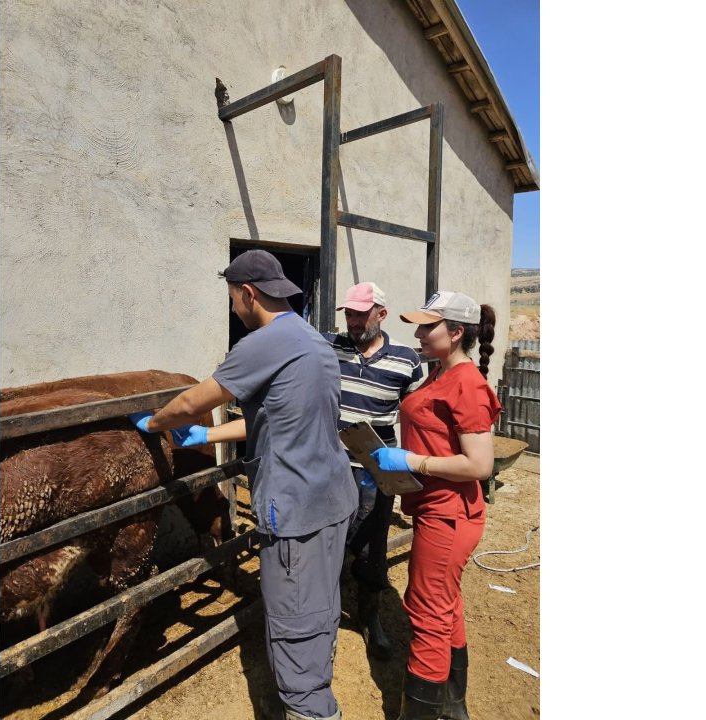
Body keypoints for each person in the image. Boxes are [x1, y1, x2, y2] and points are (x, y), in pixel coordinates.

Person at [128, 250, 357, 720]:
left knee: (295, 630)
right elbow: (278, 420)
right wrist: (209, 434)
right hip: (333, 502)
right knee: (318, 610)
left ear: (248, 294)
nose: (234, 310)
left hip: (297, 513)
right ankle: (315, 684)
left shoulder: (262, 342)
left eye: (233, 300)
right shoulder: (313, 341)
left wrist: (155, 422)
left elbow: (193, 399)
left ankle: (312, 709)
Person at [369, 291, 500, 720]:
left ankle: (424, 711)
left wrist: (413, 460)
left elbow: (480, 464)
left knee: (426, 612)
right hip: (435, 507)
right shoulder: (438, 373)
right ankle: (452, 705)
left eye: (428, 326)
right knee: (445, 605)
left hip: (449, 513)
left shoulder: (467, 384)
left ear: (457, 332)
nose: (418, 333)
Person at [322, 281, 423, 660]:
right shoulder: (330, 348)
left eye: (360, 314)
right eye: (348, 313)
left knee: (370, 547)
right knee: (327, 543)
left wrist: (411, 459)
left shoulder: (406, 361)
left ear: (380, 314)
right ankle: (326, 618)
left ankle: (370, 618)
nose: (352, 321)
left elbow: (415, 413)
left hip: (375, 469)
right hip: (331, 466)